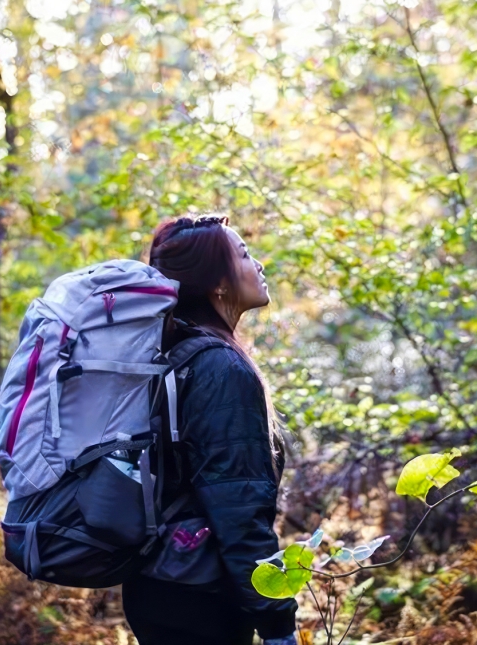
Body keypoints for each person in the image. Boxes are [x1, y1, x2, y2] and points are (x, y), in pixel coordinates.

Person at [123, 215, 298, 645]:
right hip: (200, 597)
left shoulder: (173, 354)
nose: (258, 265)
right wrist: (278, 622)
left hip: (157, 582)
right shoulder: (220, 368)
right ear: (216, 284)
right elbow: (238, 507)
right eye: (243, 254)